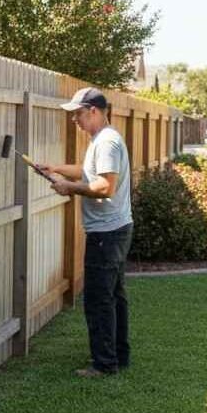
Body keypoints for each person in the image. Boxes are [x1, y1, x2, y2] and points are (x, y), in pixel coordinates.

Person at [42, 87, 133, 378]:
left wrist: (69, 188)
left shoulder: (106, 143)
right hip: (117, 229)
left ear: (93, 111)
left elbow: (105, 187)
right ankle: (118, 354)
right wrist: (56, 168)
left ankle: (104, 364)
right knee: (114, 296)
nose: (75, 120)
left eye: (78, 114)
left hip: (106, 234)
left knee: (98, 299)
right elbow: (90, 172)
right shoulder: (103, 139)